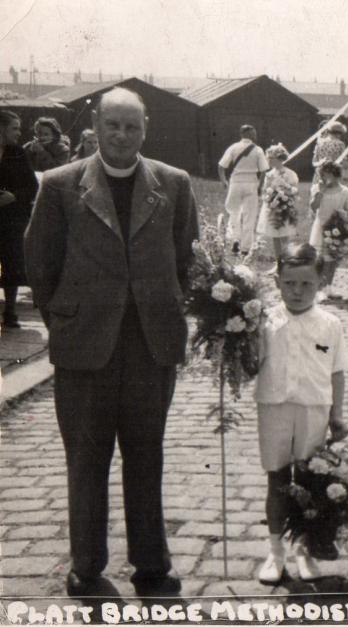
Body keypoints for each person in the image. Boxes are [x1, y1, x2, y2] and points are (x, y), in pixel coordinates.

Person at [24, 87, 200, 598]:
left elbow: (187, 260)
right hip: (85, 348)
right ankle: (86, 564)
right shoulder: (60, 185)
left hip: (150, 345)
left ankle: (151, 563)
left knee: (146, 454)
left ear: (145, 130)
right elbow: (41, 264)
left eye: (132, 127)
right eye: (112, 126)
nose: (122, 136)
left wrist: (164, 309)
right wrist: (69, 322)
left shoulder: (173, 183)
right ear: (95, 128)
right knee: (86, 455)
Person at [254, 242, 348, 584]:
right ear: (277, 281)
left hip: (314, 409)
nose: (297, 291)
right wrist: (235, 337)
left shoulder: (330, 324)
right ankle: (275, 551)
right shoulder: (263, 319)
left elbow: (337, 371)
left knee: (311, 481)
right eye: (289, 283)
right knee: (278, 479)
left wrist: (337, 415)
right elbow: (252, 363)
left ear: (320, 283)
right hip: (274, 407)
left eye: (306, 284)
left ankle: (306, 548)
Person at [0, 111, 39, 329]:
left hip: (12, 218)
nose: (19, 132)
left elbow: (32, 186)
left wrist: (13, 196)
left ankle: (10, 311)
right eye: (14, 128)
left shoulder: (18, 153)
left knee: (11, 264)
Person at [218, 124, 267, 254]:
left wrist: (224, 181)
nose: (255, 135)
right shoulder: (258, 150)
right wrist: (260, 187)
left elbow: (221, 166)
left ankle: (235, 240)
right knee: (249, 216)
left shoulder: (233, 147)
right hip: (251, 184)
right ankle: (245, 248)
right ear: (249, 134)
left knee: (234, 212)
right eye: (254, 133)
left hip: (235, 183)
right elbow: (263, 171)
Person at [308, 160, 348, 292]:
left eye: (326, 175)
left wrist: (345, 221)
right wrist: (320, 193)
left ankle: (328, 286)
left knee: (333, 258)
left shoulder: (346, 192)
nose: (323, 178)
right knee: (320, 259)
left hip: (337, 227)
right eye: (321, 175)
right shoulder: (317, 188)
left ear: (336, 175)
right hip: (321, 225)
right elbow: (314, 207)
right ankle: (319, 287)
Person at [258, 143, 300, 269]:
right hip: (272, 207)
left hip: (285, 207)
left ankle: (287, 261)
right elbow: (265, 190)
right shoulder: (269, 174)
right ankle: (278, 263)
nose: (269, 161)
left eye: (271, 158)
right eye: (268, 158)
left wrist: (285, 196)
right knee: (274, 236)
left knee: (284, 236)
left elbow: (294, 190)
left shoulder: (290, 173)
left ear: (280, 159)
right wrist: (268, 198)